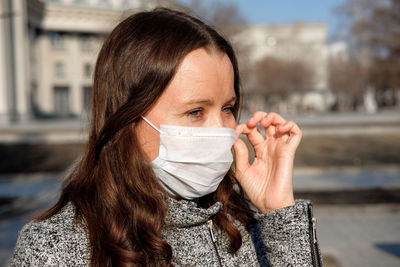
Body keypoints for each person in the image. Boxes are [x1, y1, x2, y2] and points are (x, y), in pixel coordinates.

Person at [10, 8, 323, 267]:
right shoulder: (58, 248)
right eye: (195, 112)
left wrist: (279, 213)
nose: (220, 130)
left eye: (227, 108)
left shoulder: (242, 220)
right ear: (128, 117)